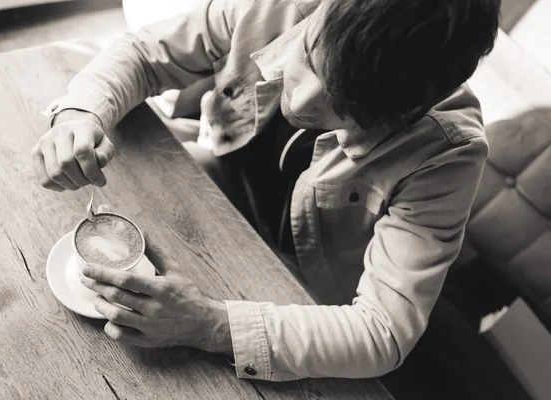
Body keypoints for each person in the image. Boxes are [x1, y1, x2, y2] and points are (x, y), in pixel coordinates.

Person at [31, 0, 502, 387]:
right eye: (310, 58)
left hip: (300, 294)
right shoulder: (273, 7)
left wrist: (210, 325)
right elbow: (144, 52)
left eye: (348, 105)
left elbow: (382, 333)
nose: (299, 102)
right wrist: (79, 115)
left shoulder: (448, 152)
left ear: (413, 107)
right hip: (214, 194)